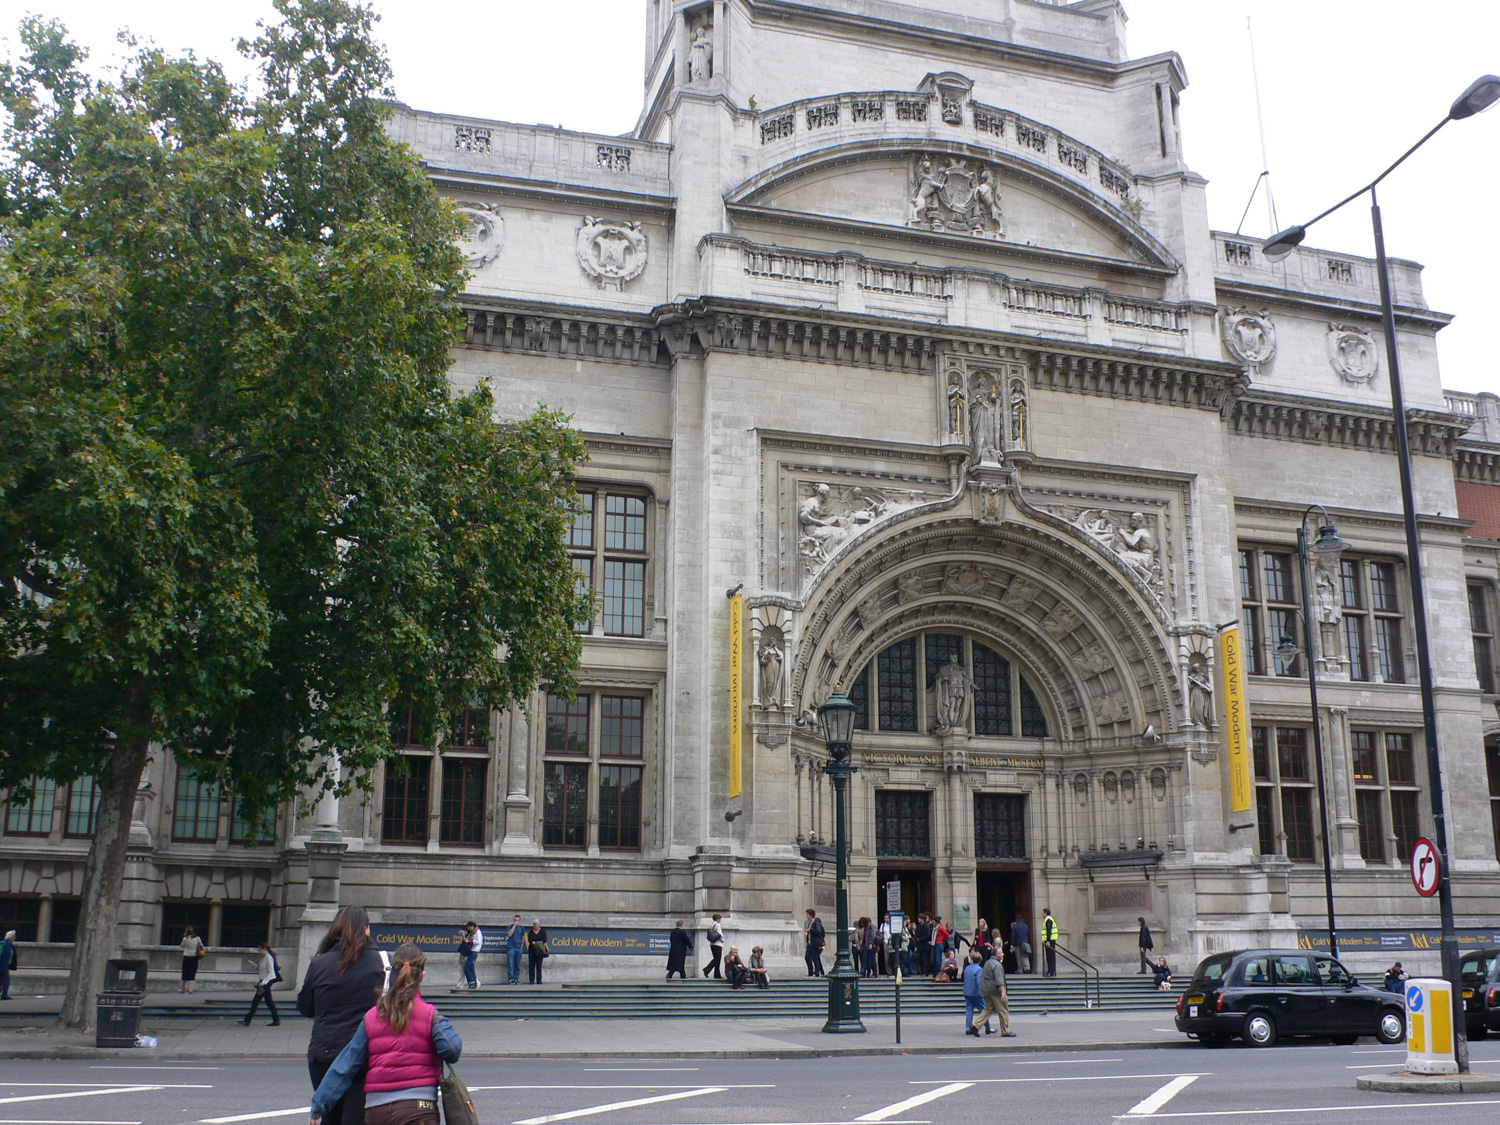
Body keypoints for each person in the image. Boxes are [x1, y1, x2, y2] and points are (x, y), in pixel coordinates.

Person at [308, 943, 461, 1125]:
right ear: (422, 976)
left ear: (393, 973)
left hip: (376, 1110)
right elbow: (452, 1049)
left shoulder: (372, 1016)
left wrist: (319, 1105)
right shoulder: (430, 1015)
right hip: (418, 1108)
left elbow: (346, 1064)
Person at [298, 904, 387, 1125]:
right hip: (362, 1055)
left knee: (331, 1117)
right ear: (365, 929)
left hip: (324, 1054)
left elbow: (306, 1007)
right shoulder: (379, 963)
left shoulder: (319, 963)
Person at [240, 941, 282, 1026]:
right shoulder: (265, 958)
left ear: (264, 949)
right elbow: (263, 969)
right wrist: (255, 966)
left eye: (260, 949)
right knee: (269, 1001)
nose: (259, 951)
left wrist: (264, 982)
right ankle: (276, 1019)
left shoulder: (268, 958)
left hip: (265, 982)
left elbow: (271, 973)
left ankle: (247, 1020)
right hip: (264, 981)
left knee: (256, 1001)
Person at [976, 947, 1015, 1036]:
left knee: (988, 1009)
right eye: (1001, 953)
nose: (1003, 954)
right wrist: (1003, 992)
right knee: (1003, 1010)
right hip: (995, 991)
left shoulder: (987, 962)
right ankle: (1005, 1030)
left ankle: (976, 1025)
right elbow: (999, 980)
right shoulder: (997, 965)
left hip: (986, 990)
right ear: (997, 954)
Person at [962, 951, 986, 1036]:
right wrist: (982, 991)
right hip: (976, 993)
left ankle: (968, 1028)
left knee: (969, 1010)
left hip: (967, 991)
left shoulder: (967, 968)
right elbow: (979, 982)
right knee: (984, 1010)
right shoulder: (979, 969)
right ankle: (988, 1027)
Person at [180, 925, 206, 994]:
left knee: (185, 973)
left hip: (186, 956)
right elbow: (201, 946)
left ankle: (183, 989)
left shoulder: (185, 939)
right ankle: (190, 989)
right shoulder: (197, 938)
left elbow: (182, 946)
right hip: (194, 957)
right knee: (192, 973)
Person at [525, 919, 548, 984]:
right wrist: (533, 943)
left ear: (539, 925)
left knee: (539, 965)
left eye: (536, 924)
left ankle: (539, 980)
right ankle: (531, 980)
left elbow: (544, 940)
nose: (534, 925)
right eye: (534, 924)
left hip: (540, 951)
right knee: (531, 965)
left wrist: (537, 943)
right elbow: (529, 939)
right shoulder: (531, 932)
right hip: (532, 950)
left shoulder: (543, 931)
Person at [804, 909, 825, 977]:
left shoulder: (816, 923)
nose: (806, 916)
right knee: (807, 957)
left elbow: (818, 931)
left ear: (811, 915)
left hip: (815, 943)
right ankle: (811, 972)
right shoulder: (810, 923)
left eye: (807, 914)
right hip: (810, 943)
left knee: (814, 958)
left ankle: (817, 973)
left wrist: (811, 930)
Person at [461, 921, 482, 989]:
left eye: (469, 927)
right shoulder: (472, 932)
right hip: (471, 951)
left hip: (474, 951)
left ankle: (471, 982)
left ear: (473, 926)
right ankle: (474, 983)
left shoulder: (477, 932)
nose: (469, 929)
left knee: (466, 967)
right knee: (471, 968)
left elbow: (478, 941)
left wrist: (469, 941)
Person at [703, 913, 724, 980]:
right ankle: (708, 970)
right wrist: (723, 940)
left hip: (712, 944)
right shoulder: (718, 925)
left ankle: (716, 974)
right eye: (720, 918)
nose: (720, 920)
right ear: (717, 919)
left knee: (716, 959)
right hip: (718, 944)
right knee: (717, 959)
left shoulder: (712, 925)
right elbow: (720, 934)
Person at [505, 915, 525, 986]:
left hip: (518, 948)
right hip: (511, 947)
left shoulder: (521, 928)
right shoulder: (510, 927)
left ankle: (516, 978)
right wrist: (514, 926)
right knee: (510, 963)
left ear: (520, 921)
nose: (516, 921)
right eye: (515, 920)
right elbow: (509, 934)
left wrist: (521, 947)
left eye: (517, 920)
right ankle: (511, 979)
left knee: (517, 964)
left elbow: (523, 937)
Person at [1040, 908, 1059, 977]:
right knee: (1049, 956)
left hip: (1050, 941)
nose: (1042, 914)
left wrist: (1048, 941)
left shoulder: (1048, 920)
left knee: (1050, 956)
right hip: (1049, 941)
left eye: (1042, 912)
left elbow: (1048, 931)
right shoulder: (1048, 920)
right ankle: (1050, 971)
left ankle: (1051, 971)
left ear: (1045, 913)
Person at [0, 930, 16, 1000]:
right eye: (14, 936)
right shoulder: (3, 944)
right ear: (10, 937)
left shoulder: (9, 945)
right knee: (6, 980)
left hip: (5, 965)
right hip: (2, 965)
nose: (14, 938)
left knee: (2, 980)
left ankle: (4, 994)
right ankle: (4, 995)